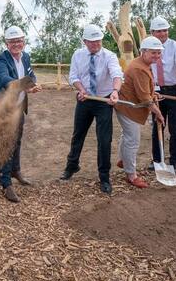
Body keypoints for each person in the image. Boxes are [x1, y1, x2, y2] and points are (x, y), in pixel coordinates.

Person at [59, 24, 122, 196]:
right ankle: (71, 166)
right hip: (85, 100)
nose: (95, 44)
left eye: (98, 41)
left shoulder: (110, 56)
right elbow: (73, 77)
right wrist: (81, 89)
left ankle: (104, 177)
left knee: (104, 140)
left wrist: (115, 91)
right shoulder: (77, 55)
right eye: (92, 42)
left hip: (104, 101)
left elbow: (117, 74)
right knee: (78, 135)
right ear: (85, 41)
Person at [0, 26, 41, 203]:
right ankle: (6, 184)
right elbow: (5, 80)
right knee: (6, 144)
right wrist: (24, 85)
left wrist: (33, 84)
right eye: (12, 42)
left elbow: (30, 75)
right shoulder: (1, 59)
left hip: (19, 107)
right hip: (4, 109)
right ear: (6, 43)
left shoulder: (25, 57)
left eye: (19, 40)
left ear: (24, 42)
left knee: (18, 139)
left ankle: (15, 170)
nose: (16, 44)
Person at [115, 36, 165, 188]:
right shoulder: (138, 68)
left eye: (158, 53)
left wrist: (153, 93)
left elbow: (144, 89)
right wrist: (158, 113)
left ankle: (123, 160)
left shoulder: (143, 63)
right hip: (129, 107)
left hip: (130, 105)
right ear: (143, 52)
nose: (156, 56)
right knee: (133, 140)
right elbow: (144, 98)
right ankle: (131, 175)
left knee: (127, 136)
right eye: (153, 53)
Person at [146, 16, 176, 172]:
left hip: (175, 90)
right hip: (156, 92)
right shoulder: (146, 47)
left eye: (165, 30)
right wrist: (150, 92)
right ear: (152, 32)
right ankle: (157, 160)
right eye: (159, 31)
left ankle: (175, 162)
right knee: (158, 126)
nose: (163, 33)